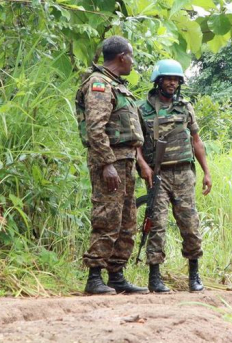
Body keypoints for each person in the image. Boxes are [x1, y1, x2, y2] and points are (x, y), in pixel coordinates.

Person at [74, 35, 148, 295]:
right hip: (110, 161)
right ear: (122, 57)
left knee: (127, 220)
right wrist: (107, 163)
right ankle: (94, 277)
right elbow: (96, 128)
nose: (133, 62)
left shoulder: (118, 86)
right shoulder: (99, 84)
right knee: (107, 217)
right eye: (132, 56)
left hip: (125, 161)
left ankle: (116, 274)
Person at [137, 59, 212, 293]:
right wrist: (143, 167)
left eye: (176, 79)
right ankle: (154, 277)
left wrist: (207, 172)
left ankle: (194, 275)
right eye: (168, 78)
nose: (172, 83)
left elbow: (196, 141)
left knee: (190, 225)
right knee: (156, 225)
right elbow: (135, 145)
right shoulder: (143, 109)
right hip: (157, 175)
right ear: (158, 81)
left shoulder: (186, 107)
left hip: (183, 173)